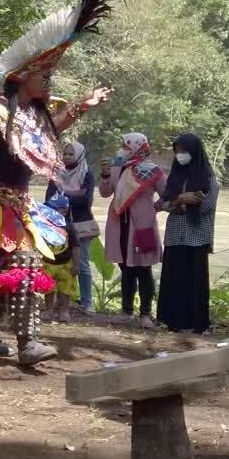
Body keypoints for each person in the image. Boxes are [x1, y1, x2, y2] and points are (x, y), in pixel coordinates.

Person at [0, 0, 144, 365]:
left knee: (17, 268)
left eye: (50, 75)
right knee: (26, 262)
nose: (49, 81)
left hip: (21, 206)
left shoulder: (37, 118)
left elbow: (50, 132)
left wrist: (85, 104)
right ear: (22, 78)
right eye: (43, 75)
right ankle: (28, 343)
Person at [99, 133, 166, 329]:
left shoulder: (152, 170)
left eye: (125, 145)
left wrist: (153, 208)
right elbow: (105, 193)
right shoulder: (117, 168)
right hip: (119, 225)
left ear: (136, 146)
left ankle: (145, 314)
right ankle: (126, 312)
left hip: (142, 226)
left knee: (144, 270)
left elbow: (167, 195)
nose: (122, 148)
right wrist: (104, 175)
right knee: (125, 269)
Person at [155, 133, 219, 333]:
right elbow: (162, 203)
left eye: (184, 151)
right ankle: (172, 322)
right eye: (177, 151)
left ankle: (198, 324)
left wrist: (179, 204)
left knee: (196, 281)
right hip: (175, 235)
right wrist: (181, 199)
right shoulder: (175, 175)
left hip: (197, 235)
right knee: (174, 279)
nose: (180, 155)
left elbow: (207, 205)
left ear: (194, 151)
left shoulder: (208, 176)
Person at [46, 141, 98, 314]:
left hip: (82, 225)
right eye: (65, 154)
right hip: (59, 226)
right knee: (56, 263)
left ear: (80, 155)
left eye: (71, 154)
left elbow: (85, 200)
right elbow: (49, 200)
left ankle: (87, 302)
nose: (67, 157)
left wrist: (63, 194)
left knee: (81, 263)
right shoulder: (56, 173)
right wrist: (74, 194)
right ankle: (59, 304)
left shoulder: (87, 174)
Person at [40, 194, 79, 321]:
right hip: (48, 263)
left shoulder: (69, 227)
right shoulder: (44, 225)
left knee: (65, 289)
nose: (51, 212)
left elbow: (75, 246)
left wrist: (76, 264)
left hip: (65, 264)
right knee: (48, 288)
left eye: (55, 209)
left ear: (64, 210)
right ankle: (49, 310)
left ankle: (64, 311)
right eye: (50, 208)